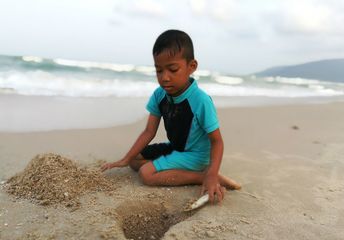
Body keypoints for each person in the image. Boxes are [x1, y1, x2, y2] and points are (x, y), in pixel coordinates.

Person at [101, 29, 241, 203]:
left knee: (146, 174)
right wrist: (125, 159)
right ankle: (181, 170)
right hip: (176, 147)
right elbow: (148, 132)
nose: (165, 78)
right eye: (159, 70)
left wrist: (211, 175)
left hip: (196, 154)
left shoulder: (201, 100)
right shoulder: (159, 95)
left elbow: (217, 141)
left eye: (173, 69)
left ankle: (202, 176)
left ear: (192, 67)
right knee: (134, 161)